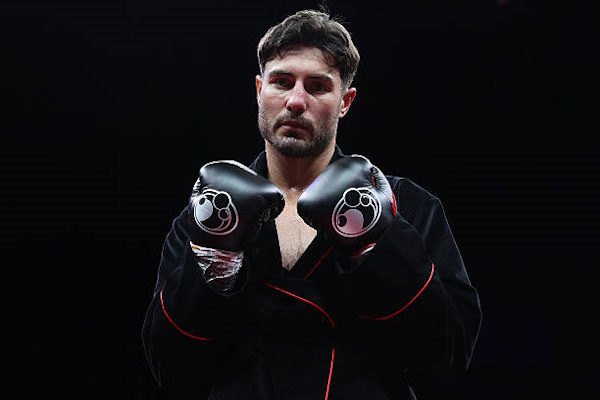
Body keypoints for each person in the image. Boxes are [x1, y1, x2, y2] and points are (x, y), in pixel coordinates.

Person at [142, 8, 482, 400]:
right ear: (259, 90)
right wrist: (217, 260)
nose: (296, 101)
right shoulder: (212, 213)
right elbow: (171, 371)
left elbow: (449, 356)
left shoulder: (406, 205)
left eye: (318, 86)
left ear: (345, 102)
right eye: (282, 82)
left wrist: (378, 244)